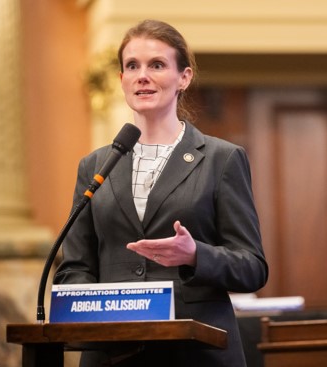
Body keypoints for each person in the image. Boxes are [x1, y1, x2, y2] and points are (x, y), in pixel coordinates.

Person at [53, 19, 268, 366]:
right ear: (121, 79)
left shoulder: (221, 159)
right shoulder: (93, 165)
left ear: (184, 77)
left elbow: (252, 267)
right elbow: (76, 267)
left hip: (195, 353)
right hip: (111, 353)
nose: (142, 75)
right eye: (132, 66)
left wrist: (195, 254)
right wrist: (92, 305)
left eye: (157, 65)